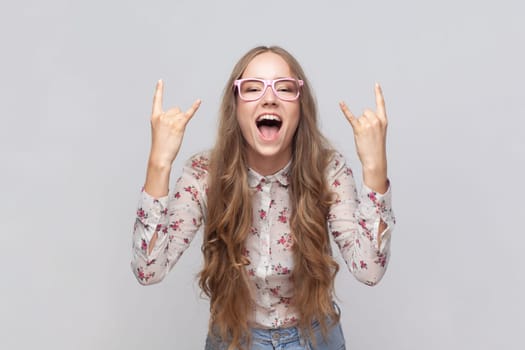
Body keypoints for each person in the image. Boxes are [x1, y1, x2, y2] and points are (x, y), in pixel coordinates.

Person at [131, 46, 395, 350]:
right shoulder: (204, 174)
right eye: (253, 89)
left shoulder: (328, 171)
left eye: (284, 88)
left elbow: (370, 271)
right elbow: (148, 270)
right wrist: (158, 164)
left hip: (315, 338)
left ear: (300, 107)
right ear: (236, 106)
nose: (269, 98)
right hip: (234, 340)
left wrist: (375, 167)